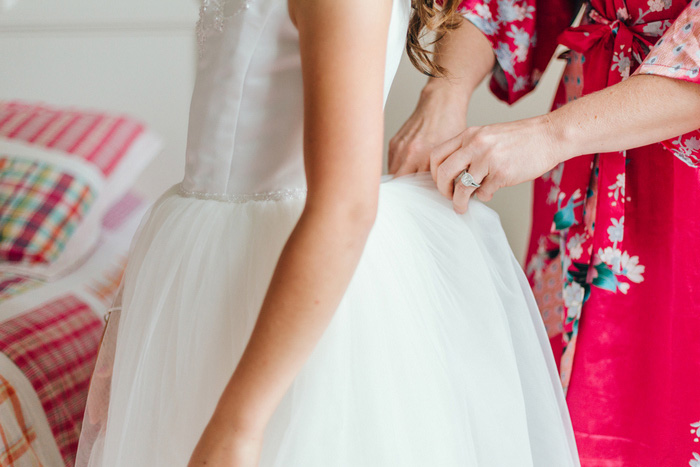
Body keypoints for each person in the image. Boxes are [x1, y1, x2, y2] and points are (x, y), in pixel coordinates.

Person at [74, 0, 581, 465]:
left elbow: (344, 209)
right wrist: (135, 323)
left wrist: (237, 427)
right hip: (207, 270)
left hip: (299, 276)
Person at [390, 0, 700, 465]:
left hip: (678, 169)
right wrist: (444, 94)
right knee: (556, 401)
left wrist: (549, 136)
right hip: (580, 157)